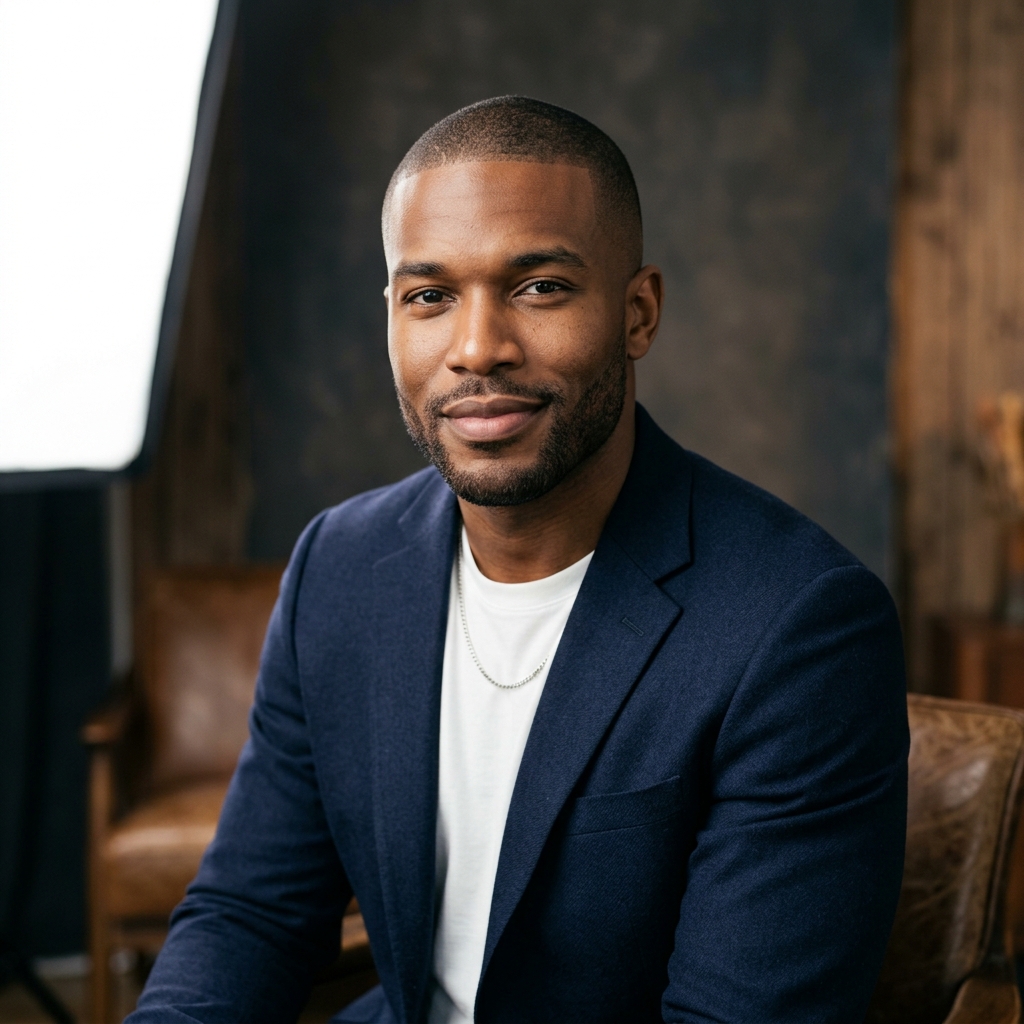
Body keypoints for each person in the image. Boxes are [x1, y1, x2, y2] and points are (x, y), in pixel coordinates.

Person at [128, 96, 908, 1024]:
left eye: (539, 286)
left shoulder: (799, 625)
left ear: (638, 313)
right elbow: (251, 915)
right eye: (430, 296)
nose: (476, 349)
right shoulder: (340, 566)